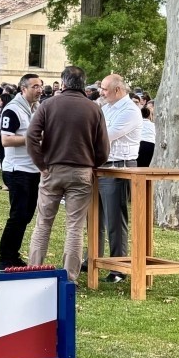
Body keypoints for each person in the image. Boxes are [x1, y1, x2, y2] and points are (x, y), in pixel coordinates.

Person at [25, 65, 109, 283]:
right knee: (75, 227)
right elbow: (103, 148)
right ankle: (70, 278)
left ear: (63, 83)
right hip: (81, 171)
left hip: (52, 169)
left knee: (43, 223)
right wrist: (92, 164)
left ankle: (34, 273)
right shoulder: (94, 109)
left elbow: (31, 136)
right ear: (84, 84)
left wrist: (41, 164)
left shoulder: (48, 105)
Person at [86, 74, 144, 282]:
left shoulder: (130, 111)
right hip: (100, 166)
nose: (101, 92)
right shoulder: (107, 107)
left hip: (118, 167)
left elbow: (104, 136)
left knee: (115, 219)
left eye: (104, 89)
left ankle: (118, 267)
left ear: (117, 90)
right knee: (94, 216)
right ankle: (92, 257)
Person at [0, 73, 43, 270]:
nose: (39, 90)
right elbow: (6, 140)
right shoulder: (12, 109)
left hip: (32, 169)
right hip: (17, 170)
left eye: (40, 86)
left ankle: (13, 254)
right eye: (34, 86)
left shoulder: (36, 108)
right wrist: (33, 138)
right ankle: (5, 258)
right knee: (18, 215)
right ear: (23, 89)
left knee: (26, 215)